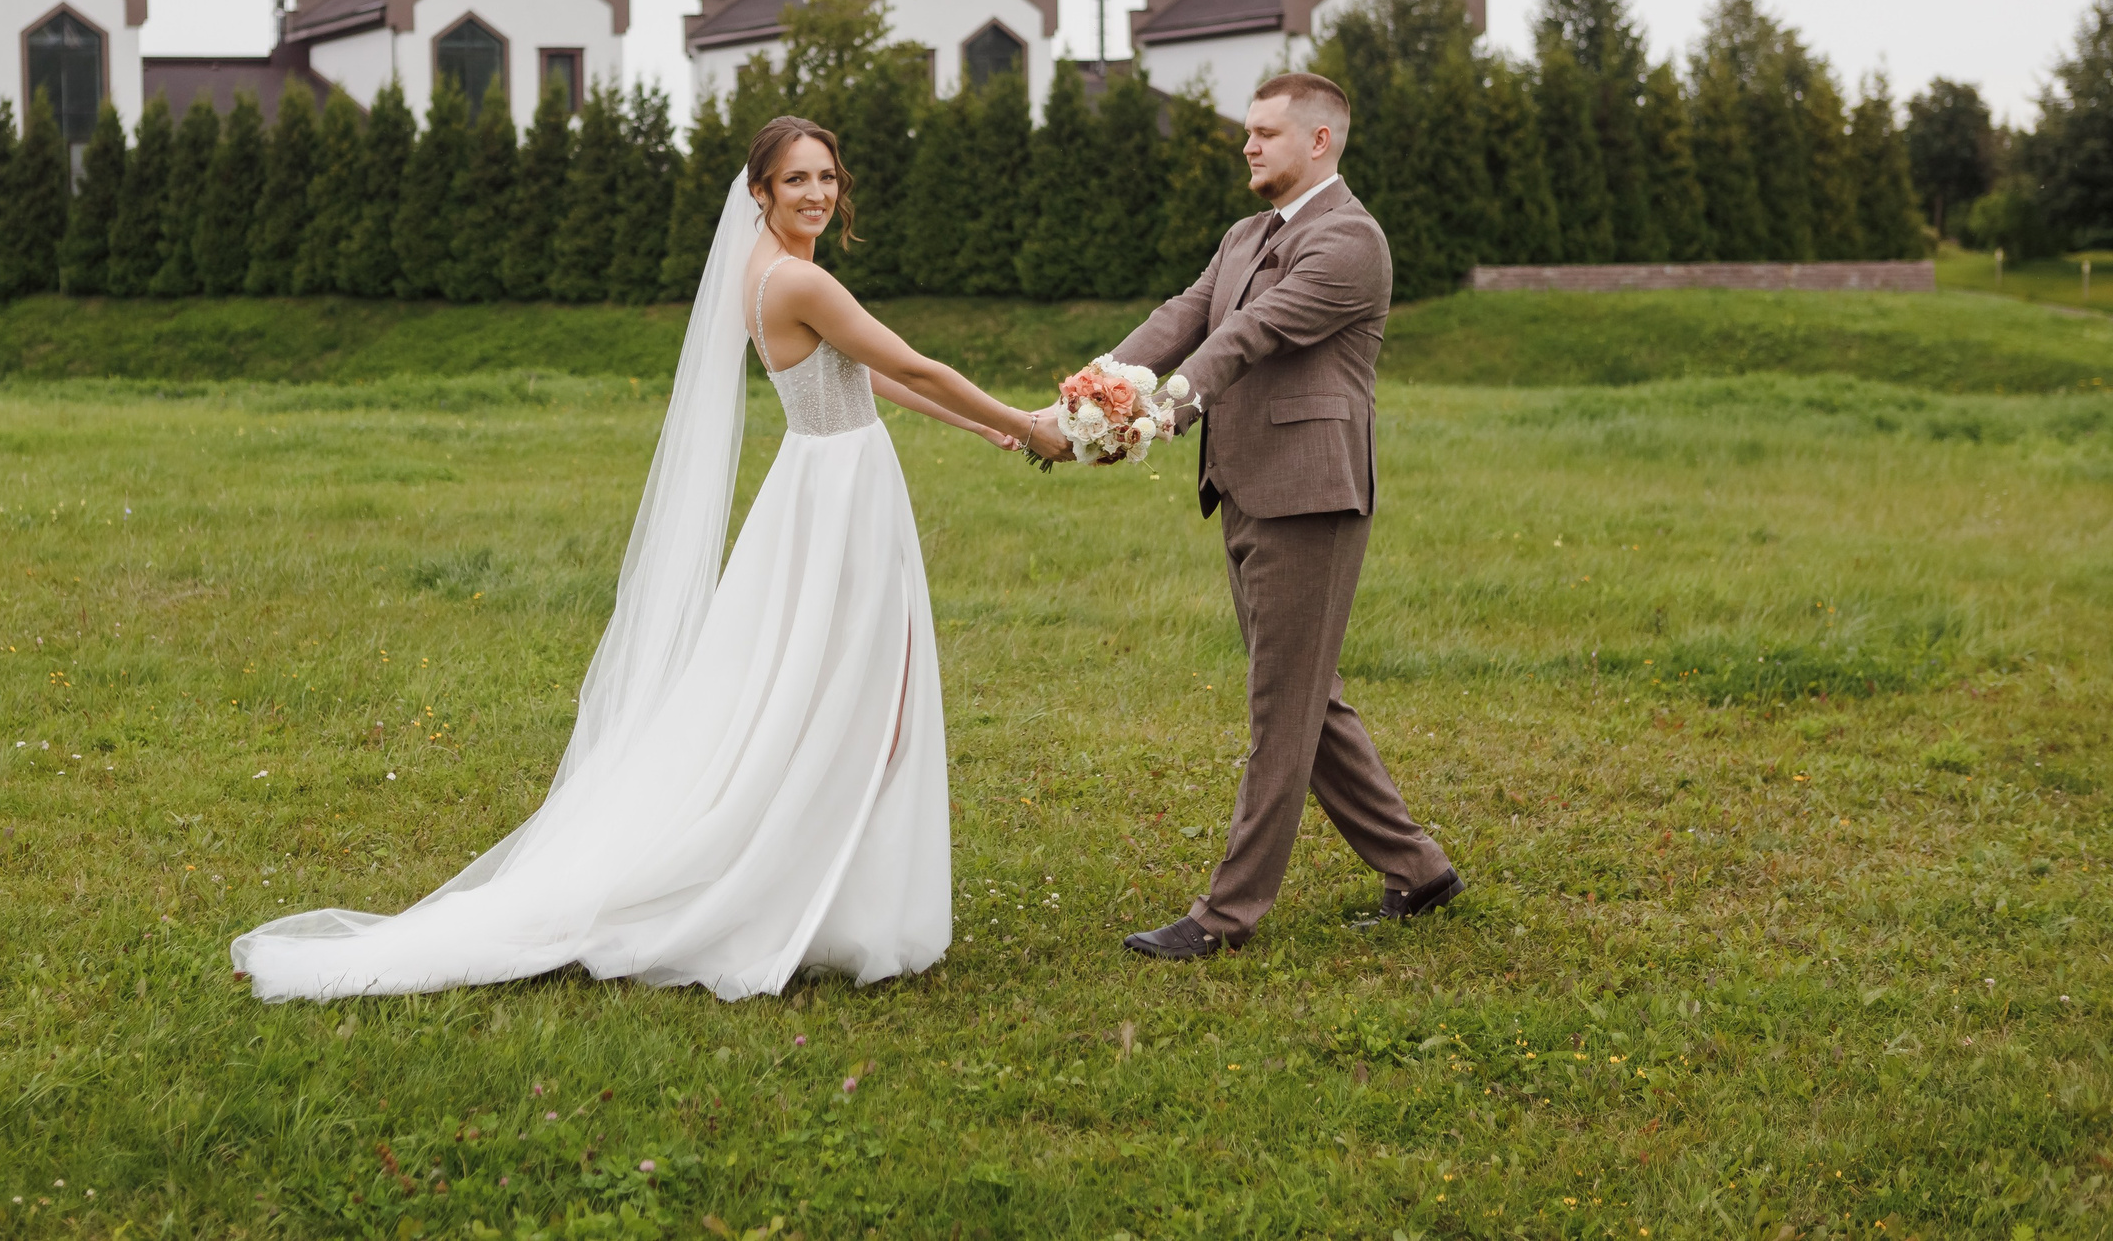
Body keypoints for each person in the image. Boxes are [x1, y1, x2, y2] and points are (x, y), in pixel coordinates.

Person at [232, 115, 1041, 1001]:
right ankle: (801, 891)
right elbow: (918, 364)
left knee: (843, 694)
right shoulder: (797, 282)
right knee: (855, 696)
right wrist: (1033, 424)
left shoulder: (773, 275)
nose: (817, 193)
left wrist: (980, 428)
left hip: (831, 483)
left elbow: (870, 376)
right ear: (760, 193)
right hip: (836, 494)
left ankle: (831, 893)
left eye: (828, 177)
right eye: (797, 180)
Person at [1042, 72, 1463, 958]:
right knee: (1308, 699)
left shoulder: (1351, 241)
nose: (1248, 144)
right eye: (1248, 130)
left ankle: (1226, 918)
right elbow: (1182, 318)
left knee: (1282, 709)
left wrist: (1158, 413)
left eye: (1266, 132)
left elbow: (1248, 336)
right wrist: (1083, 399)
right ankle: (1419, 870)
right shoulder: (1243, 236)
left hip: (1311, 496)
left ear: (1319, 141)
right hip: (1245, 486)